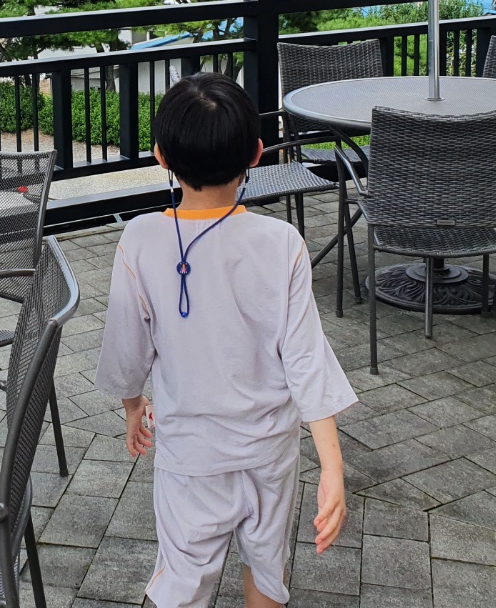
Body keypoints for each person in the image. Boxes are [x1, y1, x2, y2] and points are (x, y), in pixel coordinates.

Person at [96, 73, 356, 608]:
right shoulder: (281, 243)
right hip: (270, 452)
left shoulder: (140, 239)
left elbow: (126, 351)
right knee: (267, 570)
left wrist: (133, 406)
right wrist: (332, 468)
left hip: (189, 455)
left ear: (161, 157)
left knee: (182, 582)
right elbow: (306, 360)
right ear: (256, 154)